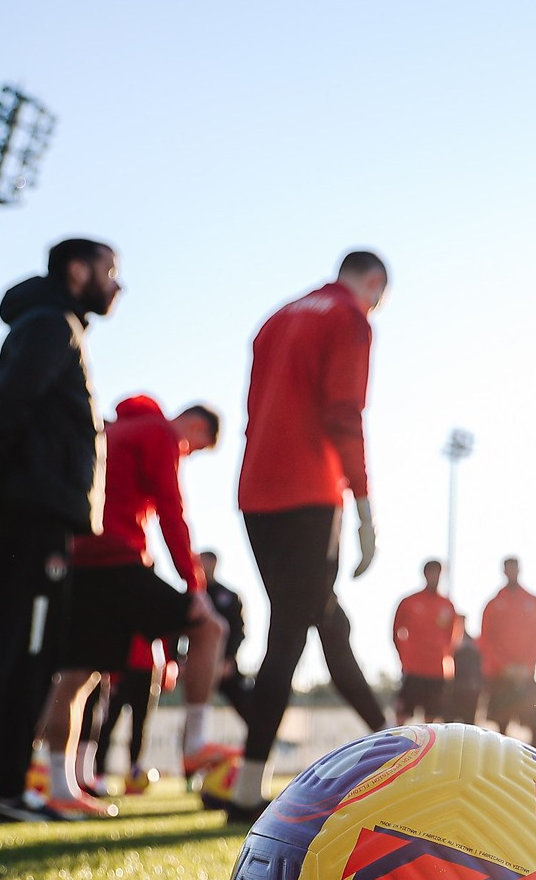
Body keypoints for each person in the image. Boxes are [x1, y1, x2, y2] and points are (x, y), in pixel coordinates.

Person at [213, 252, 391, 821]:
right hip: (310, 491)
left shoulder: (276, 317)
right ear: (373, 283)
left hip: (256, 491)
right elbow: (345, 412)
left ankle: (392, 740)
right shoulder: (349, 317)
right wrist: (364, 506)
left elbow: (256, 410)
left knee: (325, 621)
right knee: (292, 631)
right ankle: (248, 788)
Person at [0, 238, 116, 822]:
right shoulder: (52, 325)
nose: (116, 285)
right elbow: (4, 406)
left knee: (14, 650)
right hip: (34, 515)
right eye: (109, 271)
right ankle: (2, 790)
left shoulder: (48, 324)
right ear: (77, 271)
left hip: (32, 510)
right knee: (26, 650)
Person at [36, 397, 226, 816]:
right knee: (209, 627)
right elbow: (171, 509)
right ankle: (194, 745)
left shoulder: (112, 430)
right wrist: (194, 585)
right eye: (195, 449)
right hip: (119, 559)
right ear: (197, 428)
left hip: (80, 560)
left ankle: (61, 788)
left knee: (76, 677)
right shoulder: (160, 433)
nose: (187, 454)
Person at [479, 555, 536, 746]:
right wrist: (503, 667)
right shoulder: (493, 604)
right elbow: (486, 639)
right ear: (503, 571)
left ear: (519, 570)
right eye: (508, 568)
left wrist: (527, 666)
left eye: (514, 568)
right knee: (501, 728)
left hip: (525, 675)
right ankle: (500, 762)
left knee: (533, 725)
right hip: (501, 677)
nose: (511, 572)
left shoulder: (534, 602)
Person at [392, 559, 460, 724]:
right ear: (425, 574)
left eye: (438, 573)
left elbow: (453, 637)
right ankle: (399, 741)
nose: (435, 576)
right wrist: (404, 657)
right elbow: (396, 632)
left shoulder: (447, 605)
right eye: (431, 572)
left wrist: (443, 655)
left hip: (437, 671)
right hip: (413, 670)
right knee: (403, 715)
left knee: (431, 718)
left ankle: (427, 742)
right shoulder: (409, 602)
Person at [94, 636, 161, 793]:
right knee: (109, 723)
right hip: (124, 668)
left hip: (147, 668)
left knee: (139, 725)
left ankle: (134, 771)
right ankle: (98, 773)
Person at [198, 550, 252, 721]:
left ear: (213, 563)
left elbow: (238, 631)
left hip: (224, 663)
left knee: (245, 703)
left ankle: (259, 734)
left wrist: (228, 659)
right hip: (198, 662)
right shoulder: (195, 596)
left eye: (204, 561)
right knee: (196, 707)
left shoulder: (229, 596)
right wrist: (179, 660)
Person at [447, 628, 483, 727]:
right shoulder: (455, 645)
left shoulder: (474, 648)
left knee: (466, 723)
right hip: (460, 689)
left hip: (467, 689)